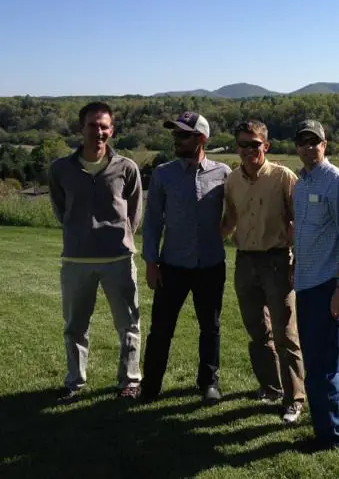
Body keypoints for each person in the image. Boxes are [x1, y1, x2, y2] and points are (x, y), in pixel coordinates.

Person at [48, 101, 143, 403]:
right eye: (92, 125)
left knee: (128, 324)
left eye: (104, 126)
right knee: (75, 326)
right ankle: (75, 382)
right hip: (76, 259)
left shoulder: (126, 168)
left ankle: (129, 381)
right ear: (81, 128)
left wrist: (119, 236)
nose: (98, 132)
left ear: (111, 130)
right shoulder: (61, 169)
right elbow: (61, 210)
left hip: (117, 258)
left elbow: (134, 213)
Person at [140, 111, 231, 403]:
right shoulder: (163, 174)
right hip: (172, 266)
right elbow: (152, 221)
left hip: (211, 266)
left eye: (183, 134)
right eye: (175, 134)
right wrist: (151, 262)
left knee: (210, 327)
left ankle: (209, 383)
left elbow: (238, 211)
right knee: (161, 329)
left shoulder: (223, 173)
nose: (176, 139)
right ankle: (150, 386)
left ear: (201, 138)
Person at [221, 120, 306, 424]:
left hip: (277, 262)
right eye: (243, 144)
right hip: (245, 262)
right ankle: (270, 387)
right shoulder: (232, 181)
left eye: (254, 144)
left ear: (265, 146)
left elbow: (300, 221)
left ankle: (295, 398)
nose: (248, 150)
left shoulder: (283, 177)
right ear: (237, 147)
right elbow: (230, 220)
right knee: (258, 331)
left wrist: (298, 258)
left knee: (286, 334)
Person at [292, 120, 339, 449]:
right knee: (321, 361)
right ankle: (335, 421)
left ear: (325, 144)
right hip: (306, 284)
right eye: (303, 142)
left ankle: (332, 437)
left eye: (314, 141)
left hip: (327, 286)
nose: (309, 147)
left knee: (322, 366)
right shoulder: (302, 183)